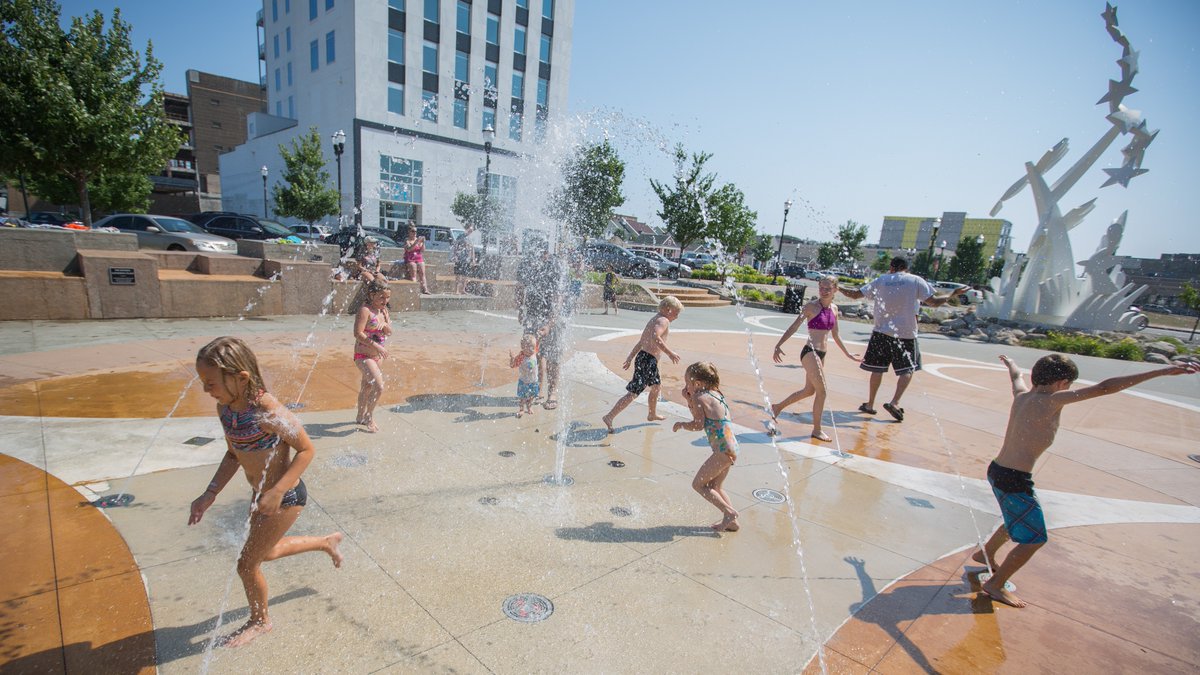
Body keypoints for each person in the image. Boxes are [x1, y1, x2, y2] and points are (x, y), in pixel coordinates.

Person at [972, 354, 1197, 608]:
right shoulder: (1052, 400)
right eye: (1068, 385)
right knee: (1034, 539)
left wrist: (1012, 363)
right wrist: (1162, 372)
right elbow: (1104, 388)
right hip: (1014, 479)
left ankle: (986, 553)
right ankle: (996, 584)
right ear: (1062, 382)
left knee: (1017, 515)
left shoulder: (1022, 395)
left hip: (998, 470)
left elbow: (1016, 377)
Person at [189, 336, 343, 647]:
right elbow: (234, 454)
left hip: (284, 496)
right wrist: (210, 493)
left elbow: (306, 450)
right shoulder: (226, 409)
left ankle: (260, 621)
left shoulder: (267, 411)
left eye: (210, 382)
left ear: (241, 377)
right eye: (203, 381)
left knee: (247, 564)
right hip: (261, 495)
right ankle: (325, 542)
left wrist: (276, 491)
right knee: (267, 551)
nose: (206, 389)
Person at [838, 257, 967, 422]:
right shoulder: (915, 281)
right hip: (906, 334)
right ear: (906, 268)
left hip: (881, 333)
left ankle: (870, 404)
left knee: (877, 369)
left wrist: (838, 287)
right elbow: (934, 302)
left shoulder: (881, 280)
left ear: (892, 267)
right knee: (908, 369)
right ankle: (895, 402)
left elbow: (855, 295)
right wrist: (953, 293)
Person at [769, 275, 861, 441]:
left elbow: (836, 335)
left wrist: (848, 354)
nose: (824, 291)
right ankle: (817, 430)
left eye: (828, 289)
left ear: (835, 290)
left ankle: (777, 407)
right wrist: (779, 344)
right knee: (822, 391)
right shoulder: (811, 306)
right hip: (809, 352)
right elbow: (795, 326)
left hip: (822, 354)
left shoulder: (834, 309)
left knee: (809, 391)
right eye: (821, 288)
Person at [673, 361, 740, 532]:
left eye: (687, 382)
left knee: (698, 485)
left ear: (698, 383)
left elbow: (697, 424)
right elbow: (703, 416)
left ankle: (729, 513)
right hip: (732, 448)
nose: (686, 385)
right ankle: (732, 522)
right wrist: (689, 398)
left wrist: (681, 423)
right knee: (715, 487)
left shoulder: (698, 397)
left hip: (722, 451)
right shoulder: (717, 394)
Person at [602, 296, 684, 433]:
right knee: (633, 393)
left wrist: (630, 357)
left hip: (643, 358)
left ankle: (652, 414)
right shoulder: (663, 320)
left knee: (656, 387)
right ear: (668, 310)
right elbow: (655, 338)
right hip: (648, 360)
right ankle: (609, 416)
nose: (677, 316)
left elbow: (641, 342)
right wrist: (670, 353)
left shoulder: (654, 319)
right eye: (676, 312)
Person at [353, 280, 392, 432]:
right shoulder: (365, 310)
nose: (385, 301)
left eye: (387, 297)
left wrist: (387, 328)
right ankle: (369, 416)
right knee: (379, 386)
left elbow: (389, 331)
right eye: (382, 297)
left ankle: (360, 415)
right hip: (363, 355)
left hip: (377, 357)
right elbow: (357, 333)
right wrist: (376, 346)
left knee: (367, 386)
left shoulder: (383, 311)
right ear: (372, 294)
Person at [509, 333, 539, 417]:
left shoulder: (534, 352)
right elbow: (512, 365)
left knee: (532, 396)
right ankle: (521, 409)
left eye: (533, 347)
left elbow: (537, 343)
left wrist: (539, 336)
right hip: (524, 382)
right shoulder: (521, 357)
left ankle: (529, 407)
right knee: (522, 397)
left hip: (534, 381)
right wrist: (512, 358)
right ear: (523, 348)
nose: (531, 349)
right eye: (529, 347)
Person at [403, 223, 430, 294]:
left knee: (422, 273)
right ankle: (414, 290)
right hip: (410, 258)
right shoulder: (407, 240)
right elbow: (409, 249)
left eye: (415, 231)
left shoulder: (418, 240)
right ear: (409, 232)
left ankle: (425, 289)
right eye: (413, 231)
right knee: (413, 272)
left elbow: (422, 250)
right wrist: (416, 242)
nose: (414, 233)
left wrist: (423, 243)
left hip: (418, 258)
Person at [452, 225, 478, 295]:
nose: (470, 232)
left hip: (467, 259)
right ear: (466, 229)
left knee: (466, 275)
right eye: (470, 230)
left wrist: (473, 260)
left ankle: (463, 289)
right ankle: (457, 290)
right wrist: (455, 256)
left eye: (471, 231)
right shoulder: (461, 236)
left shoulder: (470, 238)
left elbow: (472, 249)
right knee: (458, 275)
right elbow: (455, 246)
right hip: (460, 258)